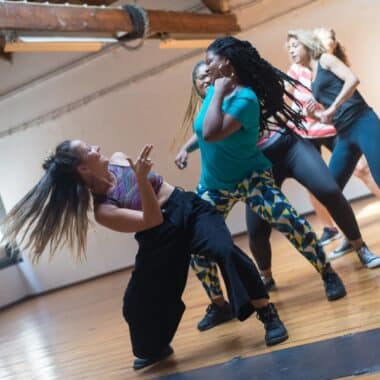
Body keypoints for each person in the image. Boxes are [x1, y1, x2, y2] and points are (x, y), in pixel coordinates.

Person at [1, 141, 289, 370]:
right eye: (89, 150)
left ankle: (268, 314)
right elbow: (152, 221)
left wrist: (140, 177)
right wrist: (140, 180)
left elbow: (160, 195)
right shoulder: (104, 211)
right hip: (159, 235)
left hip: (188, 210)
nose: (96, 148)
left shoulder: (117, 158)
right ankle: (154, 348)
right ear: (82, 169)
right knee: (136, 302)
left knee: (225, 250)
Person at [175, 37, 346, 332]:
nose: (208, 67)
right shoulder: (210, 99)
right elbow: (203, 131)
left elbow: (214, 132)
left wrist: (217, 93)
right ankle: (219, 304)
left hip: (251, 178)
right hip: (214, 185)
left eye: (210, 61)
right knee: (196, 245)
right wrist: (185, 149)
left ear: (227, 63)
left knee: (292, 223)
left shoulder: (245, 98)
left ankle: (327, 272)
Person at [287, 29, 380, 258]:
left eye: (294, 45)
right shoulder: (311, 74)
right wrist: (315, 115)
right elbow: (326, 117)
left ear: (307, 45)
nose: (291, 50)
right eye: (288, 48)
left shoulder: (326, 60)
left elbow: (353, 79)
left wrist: (333, 108)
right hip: (345, 133)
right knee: (329, 189)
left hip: (363, 121)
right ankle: (351, 239)